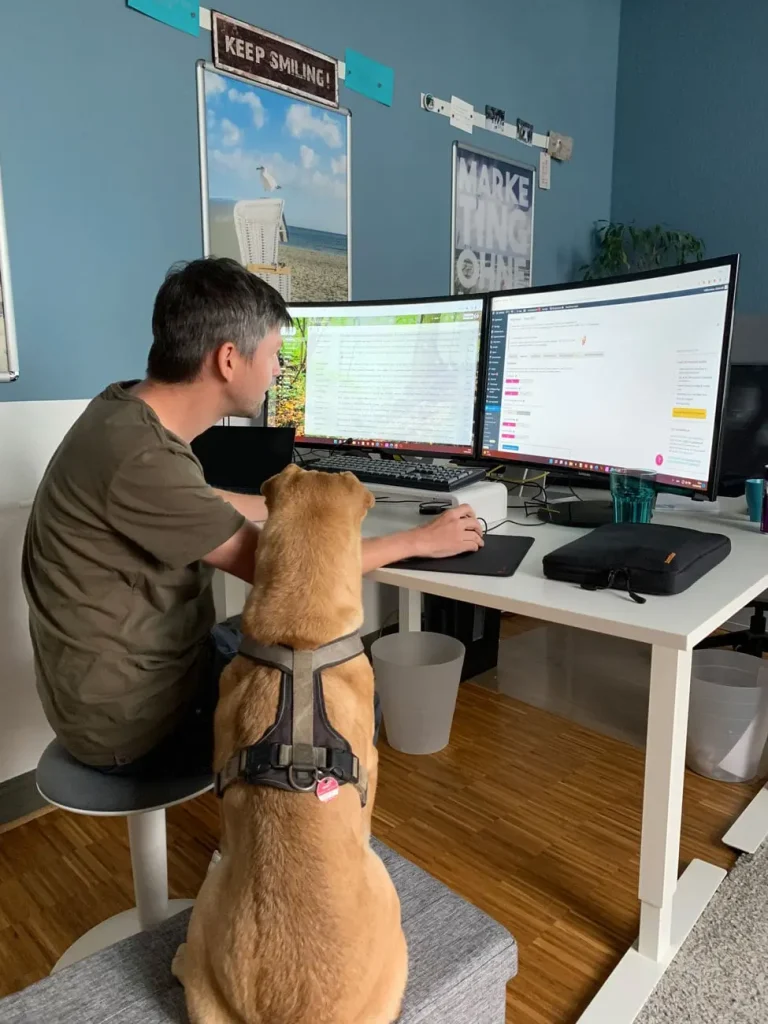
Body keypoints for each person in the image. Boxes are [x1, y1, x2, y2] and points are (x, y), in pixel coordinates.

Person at [22, 257, 483, 776]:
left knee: (291, 639)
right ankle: (303, 849)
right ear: (227, 360)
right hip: (133, 719)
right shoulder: (141, 458)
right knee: (343, 680)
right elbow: (291, 575)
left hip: (118, 679)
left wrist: (304, 508)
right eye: (274, 355)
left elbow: (199, 497)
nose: (279, 371)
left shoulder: (123, 413)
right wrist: (418, 540)